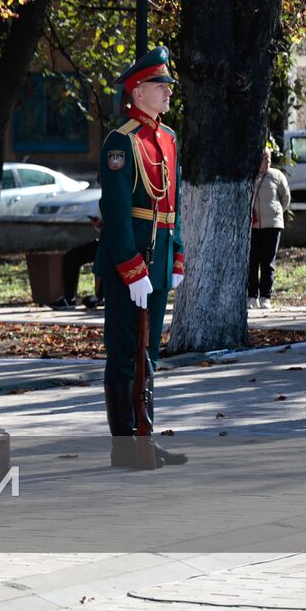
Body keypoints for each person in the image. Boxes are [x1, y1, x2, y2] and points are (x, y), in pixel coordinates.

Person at [95, 47, 187, 469]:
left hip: (161, 260)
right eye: (160, 86)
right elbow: (115, 214)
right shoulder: (122, 141)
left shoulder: (167, 139)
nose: (168, 92)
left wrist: (178, 256)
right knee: (125, 348)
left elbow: (174, 206)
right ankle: (125, 447)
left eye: (168, 85)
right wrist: (131, 269)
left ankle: (144, 437)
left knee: (149, 352)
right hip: (128, 264)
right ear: (138, 91)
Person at [249, 146, 291, 309]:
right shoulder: (249, 177)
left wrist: (276, 213)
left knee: (268, 262)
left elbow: (285, 198)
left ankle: (266, 296)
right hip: (252, 227)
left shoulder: (277, 176)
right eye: (265, 158)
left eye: (269, 158)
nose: (268, 161)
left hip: (272, 225)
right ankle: (252, 296)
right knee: (252, 262)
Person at [51, 216, 103, 310]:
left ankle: (100, 296)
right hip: (107, 241)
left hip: (119, 243)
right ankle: (69, 298)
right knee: (71, 257)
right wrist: (99, 225)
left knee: (109, 259)